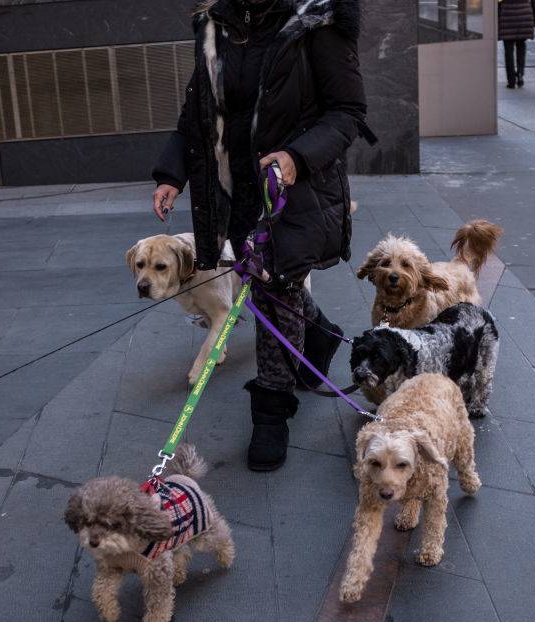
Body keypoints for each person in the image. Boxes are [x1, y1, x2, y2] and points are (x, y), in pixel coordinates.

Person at [152, 0, 373, 472]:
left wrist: (297, 156)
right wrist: (172, 173)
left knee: (276, 284)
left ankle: (271, 414)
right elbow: (196, 114)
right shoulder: (216, 27)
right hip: (234, 191)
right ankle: (322, 334)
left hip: (297, 186)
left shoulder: (316, 21)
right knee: (272, 283)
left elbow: (347, 111)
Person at [498, 0, 535, 89]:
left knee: (508, 51)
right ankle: (520, 73)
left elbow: (496, 3)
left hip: (507, 17)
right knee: (521, 45)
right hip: (524, 16)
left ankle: (511, 80)